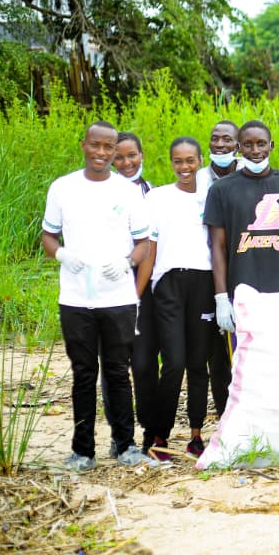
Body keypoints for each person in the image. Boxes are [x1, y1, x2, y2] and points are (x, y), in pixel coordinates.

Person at [41, 121, 153, 471]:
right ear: (84, 145)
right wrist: (61, 255)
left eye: (109, 147)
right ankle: (82, 450)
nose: (102, 153)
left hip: (117, 297)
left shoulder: (128, 192)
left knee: (118, 372)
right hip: (75, 299)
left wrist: (126, 264)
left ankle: (125, 445)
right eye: (96, 146)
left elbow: (143, 243)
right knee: (84, 373)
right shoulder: (63, 188)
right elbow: (48, 236)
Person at [203, 119, 279, 396]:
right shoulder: (221, 190)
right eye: (249, 145)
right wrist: (221, 298)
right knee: (243, 372)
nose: (255, 150)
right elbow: (217, 246)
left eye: (261, 144)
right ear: (239, 148)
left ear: (271, 145)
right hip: (240, 297)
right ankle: (245, 435)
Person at [139, 137, 215, 459]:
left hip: (204, 283)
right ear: (170, 163)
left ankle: (197, 436)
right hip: (168, 284)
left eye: (190, 161)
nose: (185, 167)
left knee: (198, 363)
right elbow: (150, 247)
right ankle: (159, 436)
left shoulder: (212, 196)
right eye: (178, 161)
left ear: (200, 160)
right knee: (174, 362)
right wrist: (139, 292)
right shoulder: (157, 198)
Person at [113, 131, 158, 456]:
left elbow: (153, 249)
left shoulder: (153, 195)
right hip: (111, 289)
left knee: (143, 364)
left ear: (142, 155)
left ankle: (149, 431)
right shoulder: (105, 195)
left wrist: (139, 293)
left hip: (146, 289)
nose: (126, 163)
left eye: (132, 156)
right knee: (114, 364)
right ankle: (120, 435)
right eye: (119, 157)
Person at [195, 120, 242, 417]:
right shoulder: (197, 179)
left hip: (241, 271)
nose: (220, 145)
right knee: (215, 352)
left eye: (227, 140)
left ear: (237, 146)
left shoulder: (248, 177)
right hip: (204, 272)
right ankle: (225, 414)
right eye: (215, 139)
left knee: (245, 347)